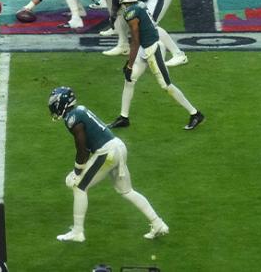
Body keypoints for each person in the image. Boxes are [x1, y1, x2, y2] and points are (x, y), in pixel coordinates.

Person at [47, 86, 169, 243]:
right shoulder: (79, 110)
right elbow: (86, 146)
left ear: (61, 102)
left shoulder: (72, 118)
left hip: (107, 152)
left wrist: (77, 171)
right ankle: (158, 223)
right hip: (118, 146)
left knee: (79, 187)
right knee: (127, 191)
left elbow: (82, 148)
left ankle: (77, 232)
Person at [109, 0, 204, 131]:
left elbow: (135, 41)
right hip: (145, 47)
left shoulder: (131, 13)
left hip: (153, 49)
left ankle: (195, 114)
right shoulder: (139, 5)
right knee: (130, 79)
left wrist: (129, 64)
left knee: (166, 85)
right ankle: (123, 117)